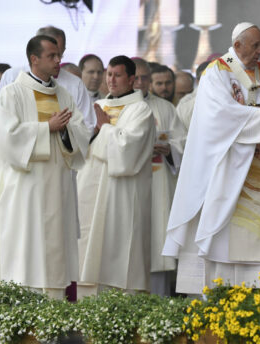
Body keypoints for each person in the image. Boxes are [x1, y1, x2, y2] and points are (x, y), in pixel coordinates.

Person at [0, 26, 96, 299]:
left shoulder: (65, 94)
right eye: (51, 55)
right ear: (34, 59)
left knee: (54, 255)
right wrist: (45, 128)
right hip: (25, 189)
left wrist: (64, 131)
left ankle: (53, 312)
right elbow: (7, 137)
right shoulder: (12, 93)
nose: (58, 61)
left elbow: (81, 133)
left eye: (59, 55)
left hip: (57, 189)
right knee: (27, 252)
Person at [163, 22, 260, 294]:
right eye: (255, 45)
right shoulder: (218, 72)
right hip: (230, 169)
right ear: (237, 46)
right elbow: (217, 115)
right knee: (226, 243)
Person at [77, 55, 156, 297]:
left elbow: (126, 151)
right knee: (86, 253)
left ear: (132, 79)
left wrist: (104, 127)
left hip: (122, 194)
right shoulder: (98, 106)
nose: (110, 80)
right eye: (108, 74)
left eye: (117, 75)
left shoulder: (140, 110)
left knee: (120, 253)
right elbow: (80, 146)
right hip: (90, 188)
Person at [132, 57, 187, 296]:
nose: (140, 82)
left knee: (156, 246)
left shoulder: (165, 108)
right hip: (128, 185)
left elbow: (183, 142)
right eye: (136, 77)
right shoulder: (111, 107)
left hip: (157, 185)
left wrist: (170, 149)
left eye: (145, 77)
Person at [176, 61, 209, 131]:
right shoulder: (185, 107)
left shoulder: (234, 102)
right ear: (197, 81)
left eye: (216, 77)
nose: (211, 82)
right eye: (207, 78)